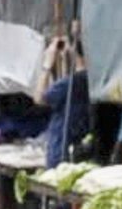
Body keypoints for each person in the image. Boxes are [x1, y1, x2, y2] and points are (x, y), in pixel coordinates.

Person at [28, 35, 91, 168]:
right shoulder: (93, 82)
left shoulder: (69, 84)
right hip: (83, 150)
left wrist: (47, 64)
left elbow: (39, 98)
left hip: (61, 151)